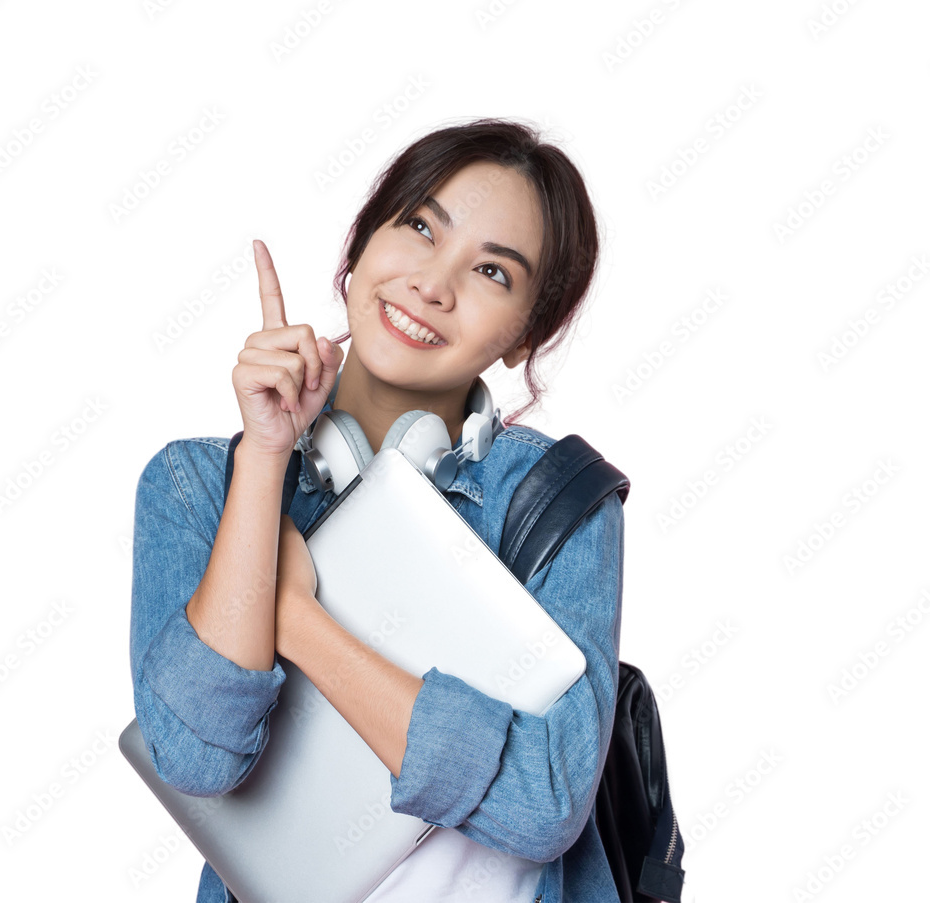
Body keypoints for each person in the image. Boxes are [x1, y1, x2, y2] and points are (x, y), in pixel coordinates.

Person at [128, 118, 625, 902]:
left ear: (527, 334)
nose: (434, 283)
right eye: (421, 226)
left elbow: (545, 806)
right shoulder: (197, 486)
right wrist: (264, 458)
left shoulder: (553, 497)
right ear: (359, 243)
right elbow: (197, 763)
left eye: (493, 272)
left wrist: (298, 620)